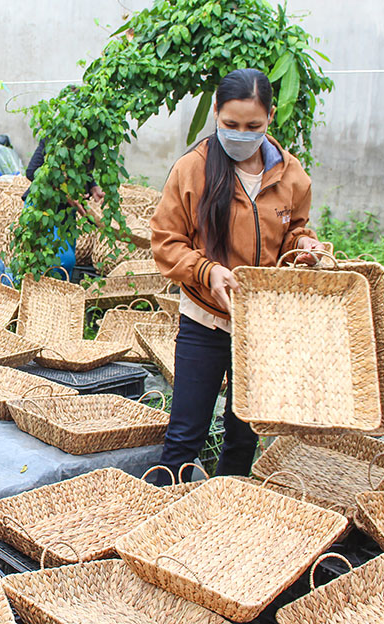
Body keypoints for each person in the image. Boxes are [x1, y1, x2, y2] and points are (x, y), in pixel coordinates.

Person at [149, 68, 327, 483]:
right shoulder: (191, 170)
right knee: (184, 436)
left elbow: (295, 230)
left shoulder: (290, 175)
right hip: (205, 320)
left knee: (243, 436)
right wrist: (208, 271)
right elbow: (166, 241)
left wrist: (305, 246)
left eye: (253, 126)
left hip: (260, 326)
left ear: (270, 119)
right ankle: (156, 521)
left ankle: (226, 520)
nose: (241, 133)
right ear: (216, 112)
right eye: (230, 124)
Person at [24, 138, 105, 277]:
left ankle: (59, 296)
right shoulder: (58, 138)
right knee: (55, 262)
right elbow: (33, 172)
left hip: (66, 212)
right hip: (43, 209)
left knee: (65, 264)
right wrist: (65, 191)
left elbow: (80, 172)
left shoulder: (92, 143)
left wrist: (93, 187)